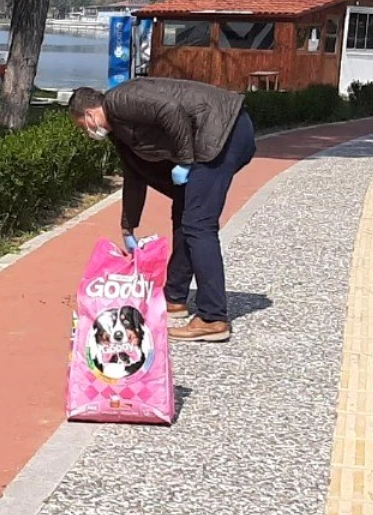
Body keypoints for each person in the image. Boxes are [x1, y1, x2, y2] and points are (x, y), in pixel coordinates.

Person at [69, 78, 256, 343]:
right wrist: (128, 226)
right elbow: (134, 177)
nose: (88, 132)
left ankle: (213, 318)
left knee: (199, 225)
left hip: (225, 131)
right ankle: (175, 297)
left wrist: (183, 161)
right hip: (215, 137)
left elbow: (170, 110)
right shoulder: (120, 132)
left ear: (89, 114)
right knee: (184, 213)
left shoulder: (119, 101)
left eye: (83, 127)